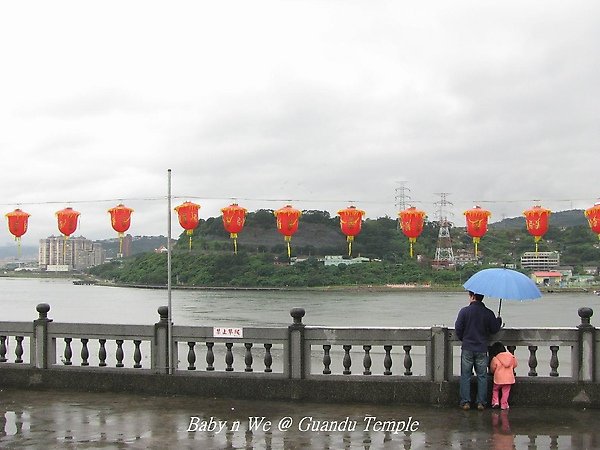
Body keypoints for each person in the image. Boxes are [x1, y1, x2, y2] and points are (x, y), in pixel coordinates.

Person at [455, 290, 502, 411]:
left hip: (467, 348)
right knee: (482, 376)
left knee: (466, 376)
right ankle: (481, 402)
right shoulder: (488, 313)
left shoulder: (464, 311)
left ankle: (465, 402)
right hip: (482, 348)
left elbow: (458, 329)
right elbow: (494, 329)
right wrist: (498, 320)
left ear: (472, 296)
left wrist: (464, 339)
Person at [489, 341, 518, 410]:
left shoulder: (495, 358)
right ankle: (504, 404)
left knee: (495, 390)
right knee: (506, 392)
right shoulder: (511, 356)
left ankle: (495, 402)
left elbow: (492, 368)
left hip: (498, 378)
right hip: (509, 379)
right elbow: (515, 364)